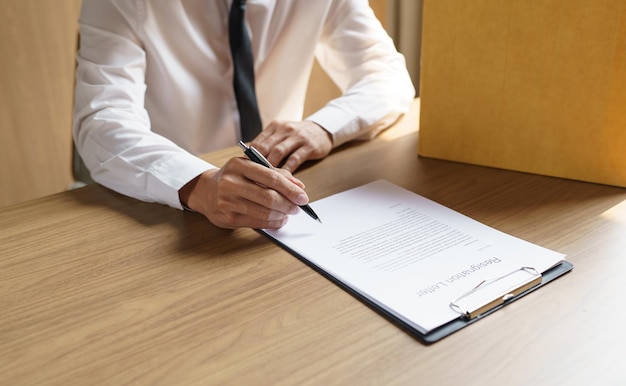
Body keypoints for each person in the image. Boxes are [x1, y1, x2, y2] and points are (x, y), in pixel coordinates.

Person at [73, 0, 415, 229]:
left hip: (279, 188)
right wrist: (196, 183)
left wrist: (323, 127)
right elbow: (103, 118)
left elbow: (387, 75)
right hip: (170, 205)